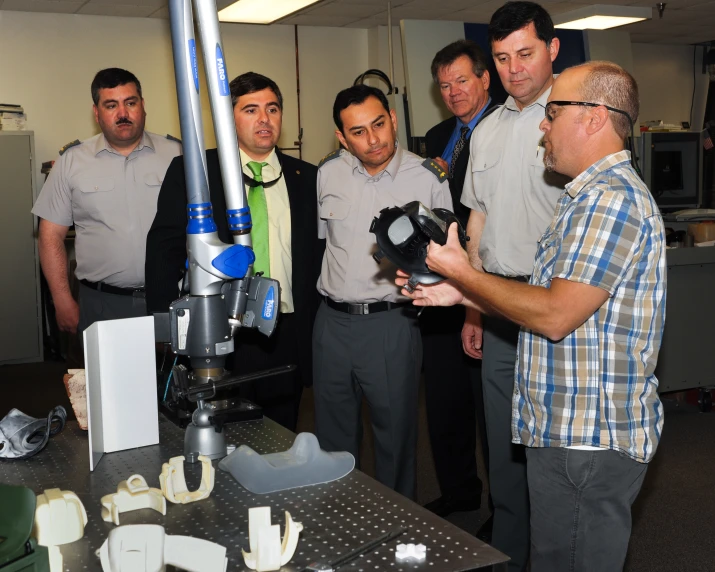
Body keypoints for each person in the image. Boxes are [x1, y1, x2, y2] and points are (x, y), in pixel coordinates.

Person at [399, 60, 666, 572]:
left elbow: (555, 315)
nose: (542, 125)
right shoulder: (581, 199)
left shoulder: (610, 202)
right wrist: (464, 298)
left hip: (586, 438)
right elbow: (551, 298)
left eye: (553, 112)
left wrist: (462, 274)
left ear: (593, 118)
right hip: (567, 431)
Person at [145, 72, 322, 432]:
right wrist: (165, 325)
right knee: (219, 429)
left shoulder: (308, 177)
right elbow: (163, 248)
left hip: (284, 330)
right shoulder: (195, 172)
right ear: (229, 118)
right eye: (251, 110)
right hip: (219, 329)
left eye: (272, 109)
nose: (264, 119)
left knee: (281, 432)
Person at [457, 3, 569, 569]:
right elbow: (477, 223)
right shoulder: (489, 130)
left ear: (552, 50)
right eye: (501, 58)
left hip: (556, 314)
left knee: (553, 459)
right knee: (503, 453)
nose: (513, 69)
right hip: (499, 308)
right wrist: (474, 307)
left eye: (525, 54)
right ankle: (508, 557)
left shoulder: (574, 126)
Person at [313, 84, 451, 499]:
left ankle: (395, 529)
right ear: (342, 137)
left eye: (378, 124)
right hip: (332, 323)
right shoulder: (328, 173)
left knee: (395, 437)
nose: (373, 139)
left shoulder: (427, 177)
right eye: (358, 132)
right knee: (332, 438)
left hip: (391, 325)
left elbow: (447, 256)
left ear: (393, 118)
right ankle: (338, 518)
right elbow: (325, 241)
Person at [32, 68, 182, 336]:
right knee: (107, 378)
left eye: (131, 103)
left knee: (173, 378)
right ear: (97, 112)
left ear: (143, 106)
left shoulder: (178, 155)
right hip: (102, 304)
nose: (122, 114)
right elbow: (50, 236)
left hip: (173, 299)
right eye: (111, 105)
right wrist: (63, 300)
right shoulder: (72, 161)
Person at [421, 39, 496, 521]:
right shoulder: (437, 134)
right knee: (445, 399)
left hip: (486, 284)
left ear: (485, 79)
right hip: (442, 280)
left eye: (462, 81)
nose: (452, 92)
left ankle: (504, 509)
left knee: (490, 409)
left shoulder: (507, 129)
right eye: (444, 85)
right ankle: (459, 491)